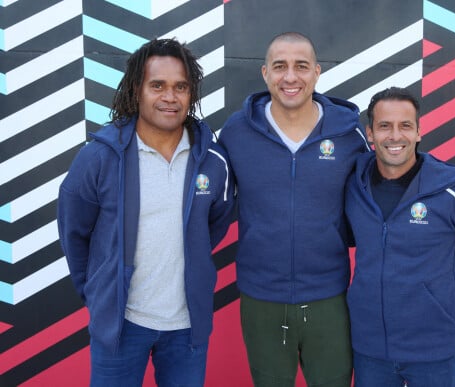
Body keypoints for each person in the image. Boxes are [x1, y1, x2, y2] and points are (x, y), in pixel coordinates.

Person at [57, 38, 235, 386]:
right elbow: (74, 232)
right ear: (137, 90)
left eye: (180, 87)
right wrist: (101, 294)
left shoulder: (213, 160)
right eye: (158, 86)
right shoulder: (99, 158)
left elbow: (215, 222)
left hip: (186, 328)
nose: (170, 97)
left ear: (191, 94)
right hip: (121, 325)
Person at [218, 32, 370, 386]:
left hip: (329, 296)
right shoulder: (236, 133)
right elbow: (213, 203)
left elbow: (370, 204)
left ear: (317, 73)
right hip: (261, 298)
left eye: (301, 66)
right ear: (265, 74)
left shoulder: (349, 136)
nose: (290, 77)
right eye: (280, 67)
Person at [345, 87, 455, 386]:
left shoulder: (451, 187)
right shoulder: (353, 183)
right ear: (370, 134)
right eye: (385, 126)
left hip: (433, 351)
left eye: (405, 126)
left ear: (419, 132)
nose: (395, 136)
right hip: (370, 349)